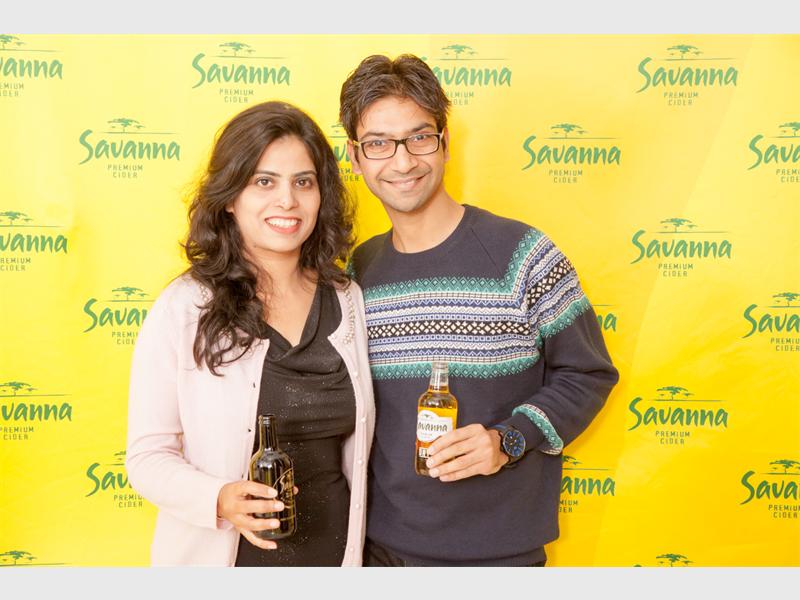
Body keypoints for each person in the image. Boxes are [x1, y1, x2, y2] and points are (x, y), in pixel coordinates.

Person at [340, 55, 619, 567]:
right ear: (356, 158)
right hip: (380, 550)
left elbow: (587, 373)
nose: (402, 162)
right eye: (378, 144)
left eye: (419, 138)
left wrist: (508, 440)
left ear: (445, 143)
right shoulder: (359, 269)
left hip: (498, 555)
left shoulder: (523, 254)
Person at [126, 101, 375, 566]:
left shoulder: (347, 299)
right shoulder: (185, 307)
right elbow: (147, 457)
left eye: (303, 182)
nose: (287, 201)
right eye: (264, 182)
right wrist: (219, 498)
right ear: (229, 197)